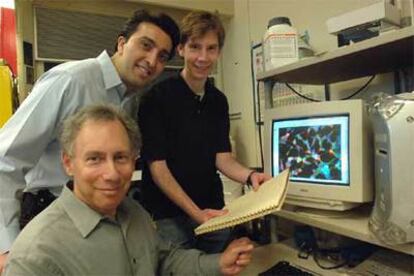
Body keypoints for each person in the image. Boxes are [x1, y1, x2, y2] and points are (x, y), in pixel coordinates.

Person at [0, 9, 180, 271]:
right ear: (121, 43)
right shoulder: (71, 80)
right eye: (146, 45)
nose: (152, 61)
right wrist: (7, 246)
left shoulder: (129, 100)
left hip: (97, 219)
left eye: (162, 56)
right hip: (50, 214)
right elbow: (6, 158)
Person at [3, 104, 254, 276]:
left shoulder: (133, 212)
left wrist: (218, 263)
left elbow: (164, 259)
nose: (112, 174)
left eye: (121, 157)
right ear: (68, 163)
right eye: (94, 159)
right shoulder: (35, 254)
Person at [138, 11, 272, 254]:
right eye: (195, 47)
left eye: (211, 48)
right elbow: (158, 169)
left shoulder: (218, 101)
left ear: (219, 52)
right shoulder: (156, 98)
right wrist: (196, 213)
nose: (203, 57)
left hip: (213, 210)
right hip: (169, 216)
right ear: (181, 49)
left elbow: (223, 159)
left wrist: (251, 176)